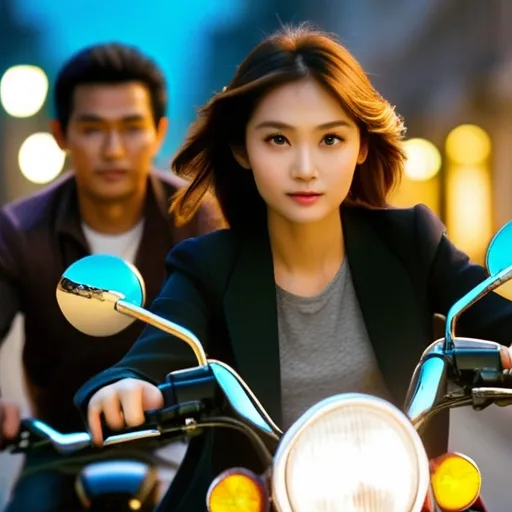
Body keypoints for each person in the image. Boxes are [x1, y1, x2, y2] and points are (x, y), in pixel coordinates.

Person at [74, 24, 512, 511]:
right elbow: (153, 353)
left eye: (330, 139)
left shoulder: (411, 242)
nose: (305, 167)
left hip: (404, 497)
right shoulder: (207, 265)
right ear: (242, 149)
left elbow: (493, 314)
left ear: (361, 145)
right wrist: (124, 384)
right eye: (278, 140)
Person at [0, 42, 223, 511]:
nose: (114, 149)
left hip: (187, 439)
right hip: (62, 445)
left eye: (131, 127)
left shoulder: (203, 219)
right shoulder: (19, 230)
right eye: (92, 128)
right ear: (61, 134)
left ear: (159, 132)